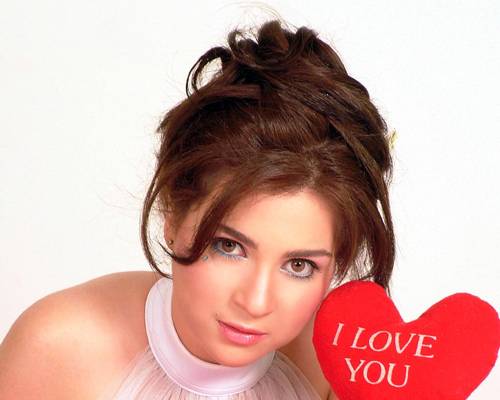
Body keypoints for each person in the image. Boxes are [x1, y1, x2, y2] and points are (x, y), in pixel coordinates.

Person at [0, 19, 395, 399]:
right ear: (173, 214)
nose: (256, 302)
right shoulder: (60, 348)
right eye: (229, 246)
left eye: (299, 266)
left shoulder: (337, 366)